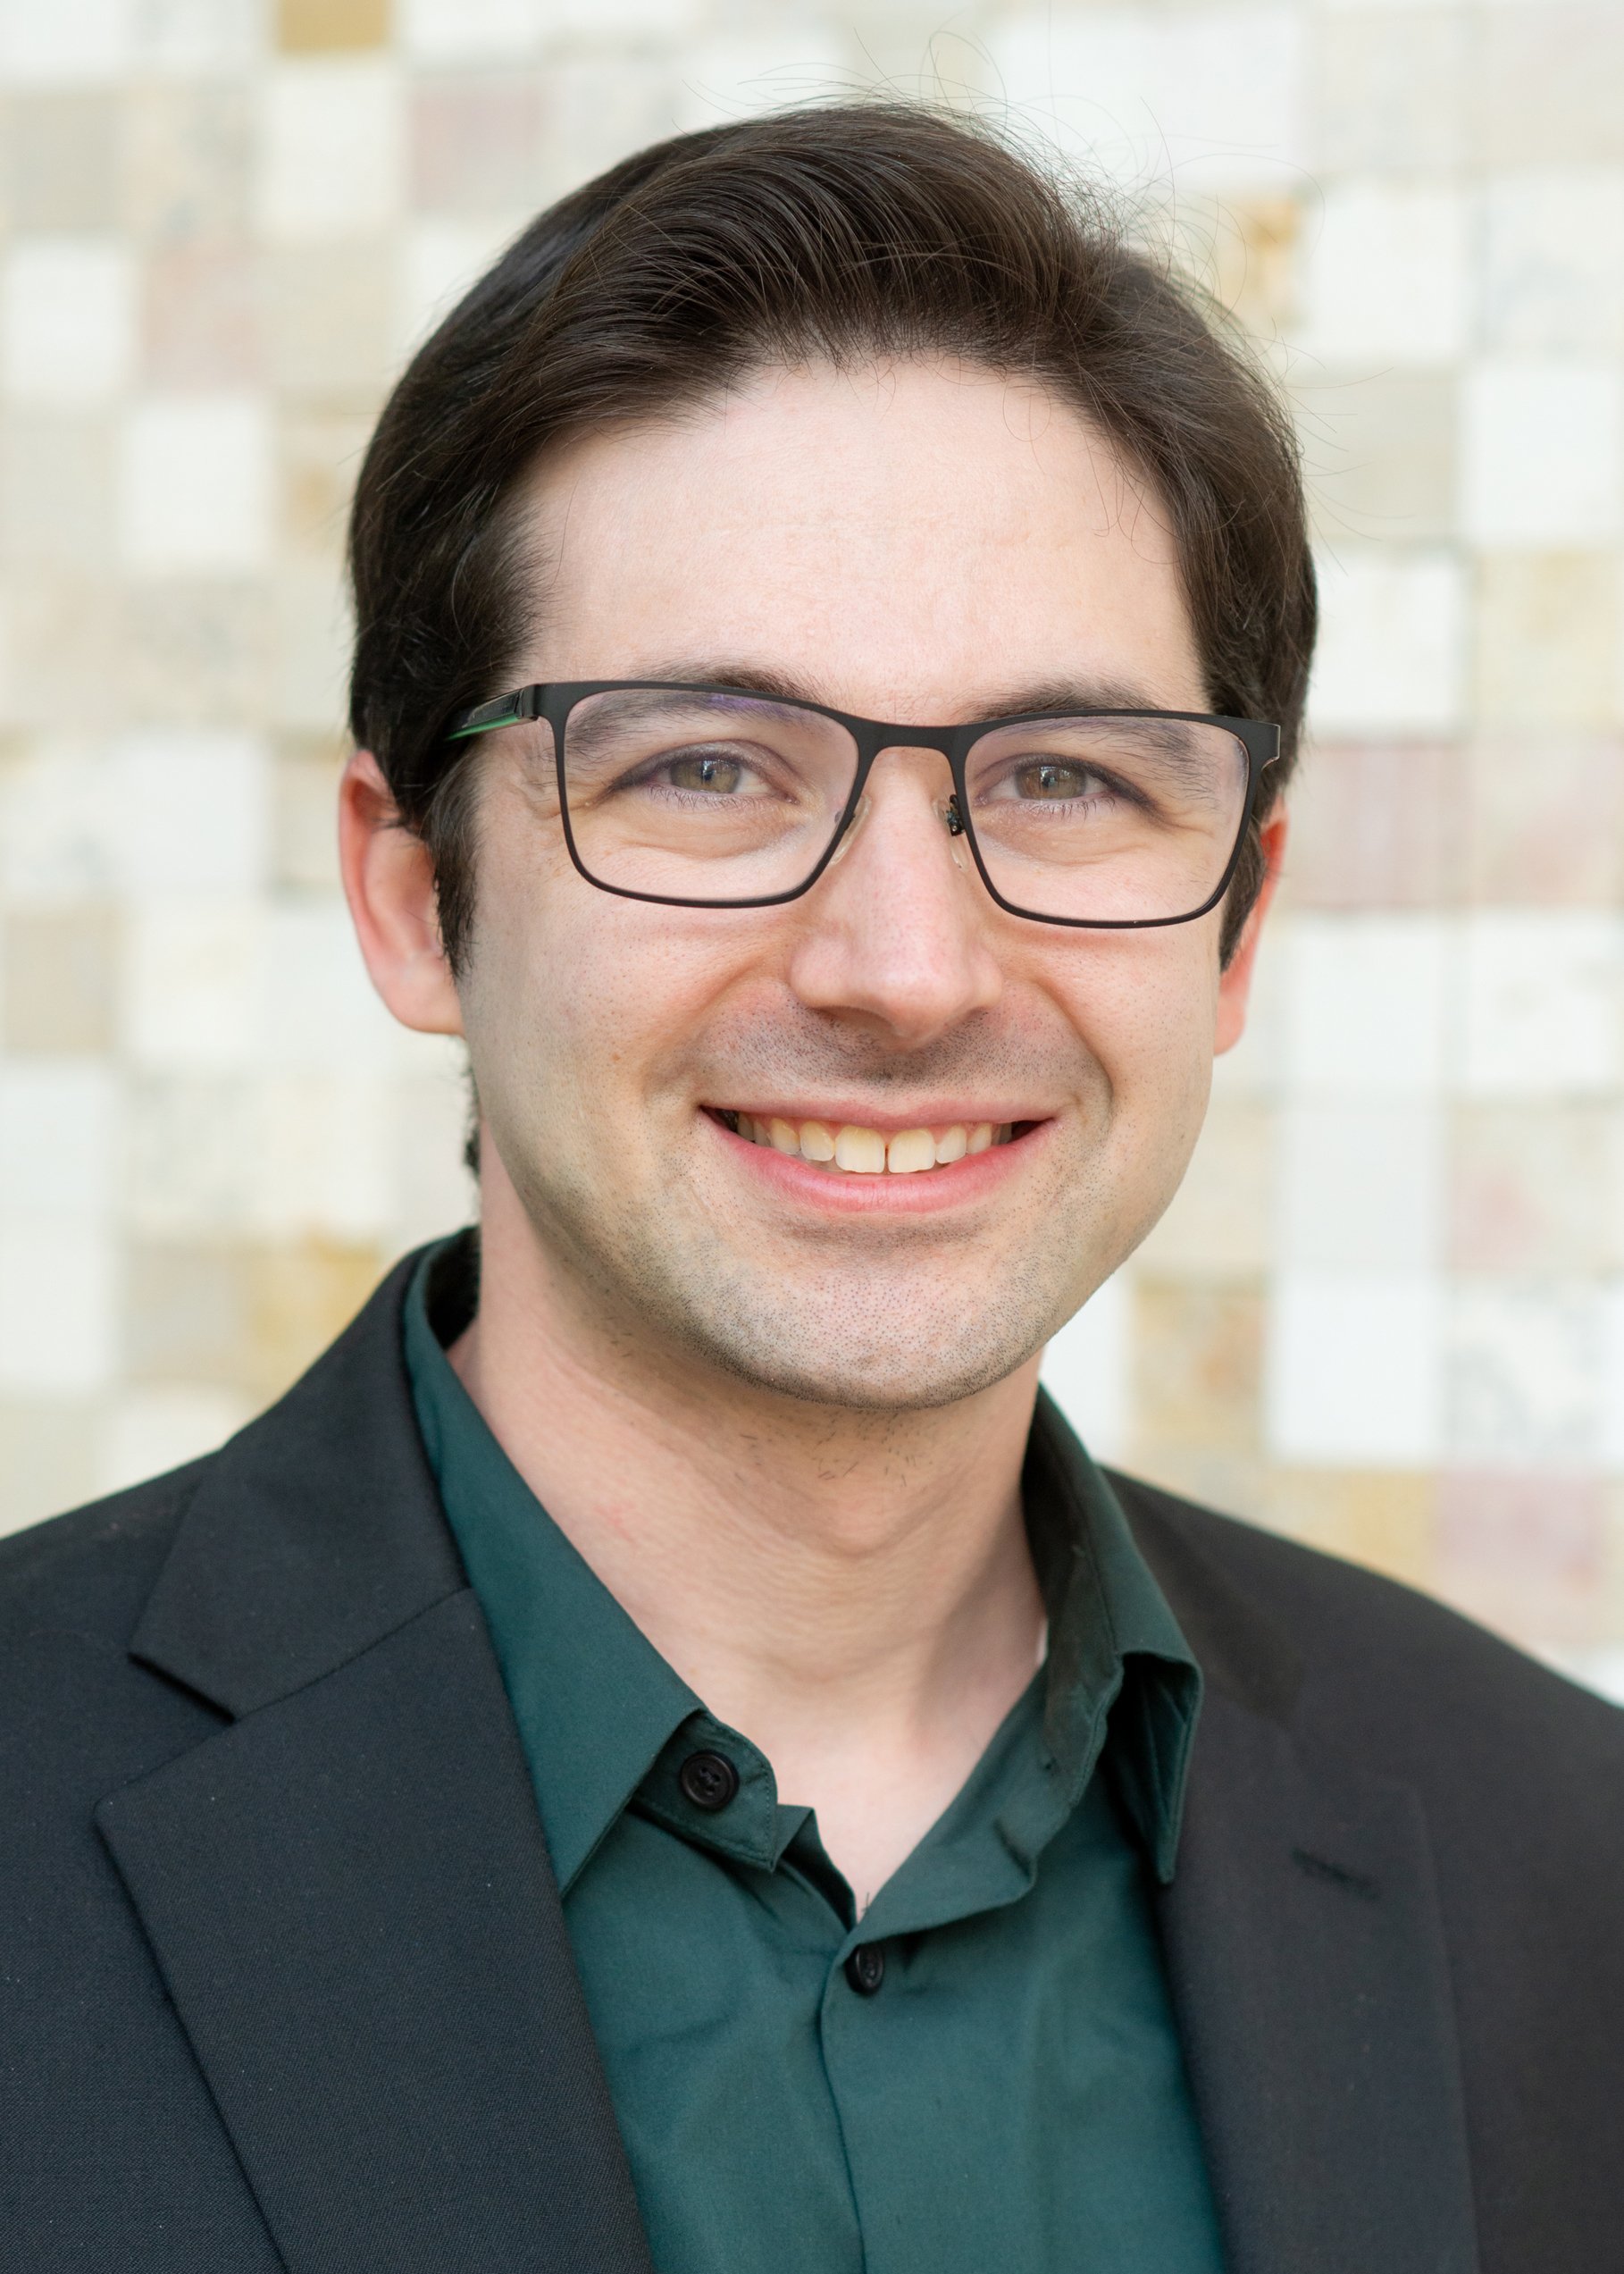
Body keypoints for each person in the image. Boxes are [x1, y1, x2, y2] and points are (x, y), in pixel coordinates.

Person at [3, 105, 1619, 2274]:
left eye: (1063, 779)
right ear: (411, 895)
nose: (903, 969)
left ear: (1235, 928)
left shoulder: (1565, 1865)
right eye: (701, 766)